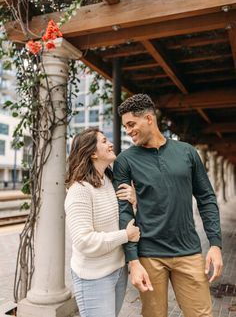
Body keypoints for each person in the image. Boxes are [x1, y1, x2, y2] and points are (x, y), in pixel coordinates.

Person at [113, 94, 223, 317]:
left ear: (149, 119)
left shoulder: (187, 153)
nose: (128, 131)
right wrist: (132, 261)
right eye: (125, 127)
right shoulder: (125, 160)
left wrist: (215, 243)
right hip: (149, 255)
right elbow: (124, 211)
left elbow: (206, 198)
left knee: (202, 314)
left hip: (189, 252)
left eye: (131, 124)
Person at [64, 128, 140, 317]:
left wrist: (134, 202)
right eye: (104, 141)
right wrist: (126, 236)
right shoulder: (79, 190)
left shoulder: (109, 180)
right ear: (92, 152)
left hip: (118, 271)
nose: (111, 144)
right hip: (93, 278)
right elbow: (84, 241)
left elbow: (121, 220)